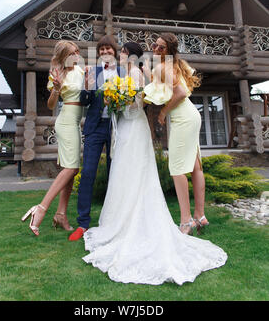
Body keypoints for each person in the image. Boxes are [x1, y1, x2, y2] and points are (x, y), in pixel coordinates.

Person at [82, 41, 227, 285]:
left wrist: (116, 101)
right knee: (124, 172)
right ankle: (186, 215)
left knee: (141, 170)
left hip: (135, 125)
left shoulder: (137, 72)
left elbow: (139, 102)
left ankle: (186, 217)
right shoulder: (130, 73)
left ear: (129, 55)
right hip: (127, 127)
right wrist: (113, 99)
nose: (119, 56)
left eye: (123, 53)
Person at [146, 33, 208, 235]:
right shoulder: (173, 65)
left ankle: (185, 221)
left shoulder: (163, 67)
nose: (156, 49)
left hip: (183, 117)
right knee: (195, 165)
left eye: (161, 48)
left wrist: (163, 112)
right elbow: (164, 89)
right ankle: (200, 215)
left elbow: (179, 93)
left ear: (169, 51)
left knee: (177, 168)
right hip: (191, 115)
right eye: (155, 45)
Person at [21, 40, 84, 236]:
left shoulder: (81, 71)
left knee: (72, 170)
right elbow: (50, 105)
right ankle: (41, 209)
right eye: (73, 52)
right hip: (65, 121)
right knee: (71, 168)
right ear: (65, 56)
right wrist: (56, 88)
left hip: (75, 123)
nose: (77, 54)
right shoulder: (58, 74)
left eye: (77, 51)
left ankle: (61, 214)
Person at [69, 35, 124, 241]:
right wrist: (87, 86)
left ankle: (113, 220)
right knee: (88, 174)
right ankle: (83, 222)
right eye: (101, 50)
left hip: (117, 127)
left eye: (108, 49)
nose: (104, 52)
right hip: (94, 127)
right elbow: (84, 102)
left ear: (114, 52)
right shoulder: (91, 71)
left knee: (115, 174)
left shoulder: (124, 72)